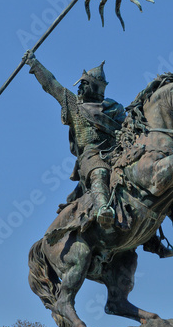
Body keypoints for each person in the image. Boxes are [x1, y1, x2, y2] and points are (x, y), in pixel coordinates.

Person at [22, 50, 125, 228]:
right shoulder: (74, 105)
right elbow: (51, 84)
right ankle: (103, 209)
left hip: (115, 154)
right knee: (99, 172)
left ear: (94, 86)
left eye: (83, 84)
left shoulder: (115, 108)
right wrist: (34, 63)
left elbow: (127, 130)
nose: (79, 88)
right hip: (91, 156)